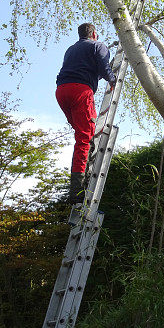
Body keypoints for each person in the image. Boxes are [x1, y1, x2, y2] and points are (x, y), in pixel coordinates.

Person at [56, 23, 116, 203]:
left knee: (82, 135)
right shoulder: (98, 46)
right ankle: (77, 191)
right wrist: (113, 79)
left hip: (61, 91)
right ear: (94, 34)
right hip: (80, 91)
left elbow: (87, 70)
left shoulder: (71, 49)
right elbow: (105, 71)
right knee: (85, 138)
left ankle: (80, 174)